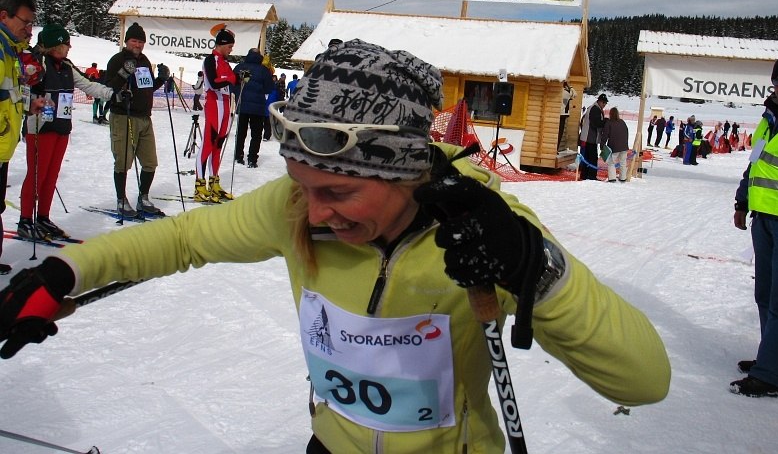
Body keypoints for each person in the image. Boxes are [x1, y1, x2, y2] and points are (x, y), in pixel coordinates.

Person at [0, 39, 670, 453]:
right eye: (303, 186)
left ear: (404, 171)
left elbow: (643, 381)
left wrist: (532, 266)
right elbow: (184, 239)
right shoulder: (296, 206)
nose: (316, 213)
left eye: (339, 193)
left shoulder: (480, 225)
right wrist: (66, 271)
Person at [731, 51, 778, 398]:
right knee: (766, 294)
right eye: (777, 80)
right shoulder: (770, 117)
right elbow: (755, 163)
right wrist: (742, 201)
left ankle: (771, 375)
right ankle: (776, 359)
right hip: (765, 219)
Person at [16, 25, 114, 240]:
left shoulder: (67, 66)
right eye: (66, 44)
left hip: (61, 127)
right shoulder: (39, 63)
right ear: (55, 45)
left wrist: (112, 94)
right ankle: (25, 220)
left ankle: (43, 217)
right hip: (41, 127)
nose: (69, 47)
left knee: (51, 176)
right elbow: (24, 87)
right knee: (37, 176)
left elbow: (88, 85)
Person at [0, 0, 46, 274]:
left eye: (31, 24)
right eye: (25, 22)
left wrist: (29, 107)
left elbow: (10, 94)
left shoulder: (12, 51)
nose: (29, 29)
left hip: (4, 145)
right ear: (4, 16)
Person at [105, 22, 170, 219]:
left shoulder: (144, 61)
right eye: (134, 41)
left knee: (150, 162)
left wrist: (161, 79)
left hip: (144, 117)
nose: (138, 45)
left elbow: (146, 88)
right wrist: (124, 73)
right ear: (127, 41)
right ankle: (121, 200)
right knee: (123, 161)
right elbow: (108, 88)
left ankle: (143, 198)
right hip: (124, 116)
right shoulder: (117, 60)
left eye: (141, 41)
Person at [194, 26, 237, 203]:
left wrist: (240, 77)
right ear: (221, 44)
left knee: (218, 145)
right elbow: (214, 82)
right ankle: (199, 186)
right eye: (229, 46)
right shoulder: (211, 60)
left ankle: (214, 184)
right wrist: (231, 78)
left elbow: (232, 80)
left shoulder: (226, 62)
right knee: (208, 144)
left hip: (226, 105)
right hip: (214, 104)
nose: (231, 50)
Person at [233, 48, 274, 168]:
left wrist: (238, 94)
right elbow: (269, 88)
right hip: (258, 107)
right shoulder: (263, 70)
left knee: (241, 132)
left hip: (243, 105)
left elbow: (232, 84)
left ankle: (238, 155)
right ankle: (252, 159)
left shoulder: (240, 67)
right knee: (256, 134)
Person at [578, 93, 608, 180]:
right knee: (592, 158)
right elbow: (596, 123)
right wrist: (605, 122)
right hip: (590, 138)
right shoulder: (595, 109)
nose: (604, 105)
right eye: (603, 103)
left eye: (605, 103)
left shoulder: (595, 108)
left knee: (587, 157)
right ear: (599, 101)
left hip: (589, 138)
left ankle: (585, 175)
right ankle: (591, 176)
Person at [601, 106, 629, 183]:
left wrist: (602, 145)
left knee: (611, 162)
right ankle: (623, 178)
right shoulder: (622, 122)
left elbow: (605, 135)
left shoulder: (609, 123)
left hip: (614, 147)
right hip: (624, 146)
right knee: (623, 163)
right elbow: (626, 133)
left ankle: (612, 178)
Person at [558, 80, 575, 149]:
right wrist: (571, 87)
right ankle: (557, 147)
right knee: (560, 132)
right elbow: (575, 94)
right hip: (563, 114)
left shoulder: (561, 92)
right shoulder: (566, 93)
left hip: (559, 113)